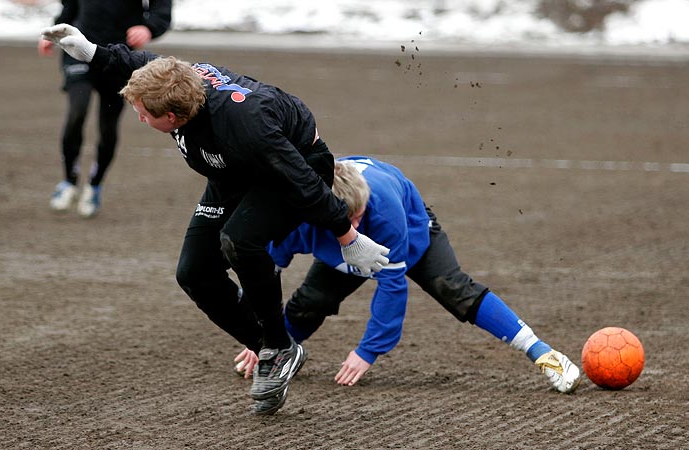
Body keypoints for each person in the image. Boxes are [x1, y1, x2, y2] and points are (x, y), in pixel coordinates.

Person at [40, 24, 391, 415]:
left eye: (141, 114)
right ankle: (277, 350)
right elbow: (139, 64)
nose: (138, 118)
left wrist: (346, 236)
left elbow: (304, 181)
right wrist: (89, 50)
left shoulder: (247, 124)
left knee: (240, 240)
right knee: (194, 273)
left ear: (172, 117)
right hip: (233, 173)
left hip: (292, 169)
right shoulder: (175, 78)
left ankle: (276, 345)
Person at [234, 156, 581, 394]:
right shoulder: (300, 212)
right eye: (348, 220)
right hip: (333, 242)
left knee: (454, 289)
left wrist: (367, 351)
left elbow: (391, 288)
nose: (355, 227)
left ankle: (543, 353)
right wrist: (265, 340)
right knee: (310, 301)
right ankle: (281, 355)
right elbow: (267, 272)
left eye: (359, 216)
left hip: (412, 233)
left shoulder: (382, 212)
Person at [39, 0, 172, 218]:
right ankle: (69, 181)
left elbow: (161, 8)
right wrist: (54, 32)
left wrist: (148, 27)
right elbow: (70, 7)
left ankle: (94, 185)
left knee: (108, 126)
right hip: (77, 48)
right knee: (76, 113)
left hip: (118, 56)